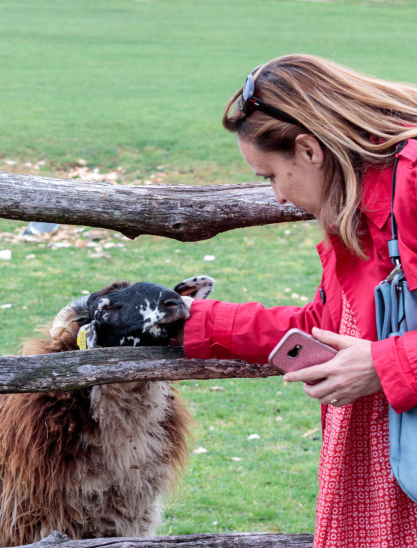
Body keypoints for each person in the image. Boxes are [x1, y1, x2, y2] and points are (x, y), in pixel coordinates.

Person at [178, 54, 417, 547]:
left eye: (269, 176)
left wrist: (386, 363)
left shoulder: (410, 186)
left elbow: (374, 350)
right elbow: (327, 325)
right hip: (387, 475)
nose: (278, 199)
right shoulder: (356, 209)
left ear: (308, 149)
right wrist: (193, 322)